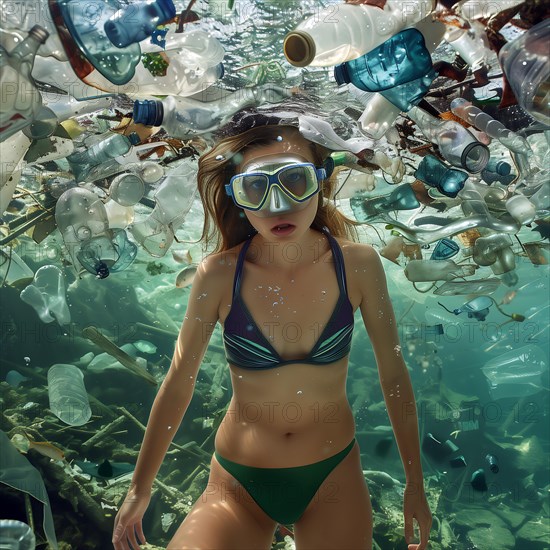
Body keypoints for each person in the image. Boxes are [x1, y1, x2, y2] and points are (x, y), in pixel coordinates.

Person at [112, 120, 432, 550]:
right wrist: (139, 488)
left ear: (321, 181)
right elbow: (177, 383)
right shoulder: (218, 275)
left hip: (331, 479)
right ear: (236, 197)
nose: (277, 206)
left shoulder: (357, 264)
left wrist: (416, 484)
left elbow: (393, 373)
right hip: (237, 486)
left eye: (295, 180)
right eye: (255, 189)